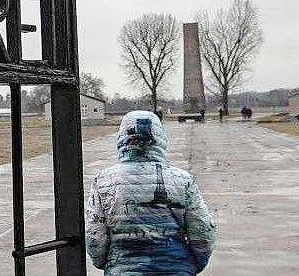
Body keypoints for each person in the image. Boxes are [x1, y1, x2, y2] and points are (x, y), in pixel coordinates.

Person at [85, 111, 217, 275]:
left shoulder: (103, 180)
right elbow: (203, 231)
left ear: (122, 138)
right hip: (176, 268)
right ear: (159, 138)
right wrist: (193, 263)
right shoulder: (183, 180)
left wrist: (105, 262)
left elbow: (94, 234)